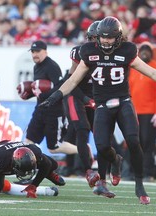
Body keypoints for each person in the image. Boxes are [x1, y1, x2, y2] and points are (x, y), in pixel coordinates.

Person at [39, 16, 156, 205]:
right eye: (103, 37)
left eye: (110, 37)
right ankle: (116, 161)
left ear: (118, 37)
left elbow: (150, 72)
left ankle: (139, 185)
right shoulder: (88, 51)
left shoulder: (127, 51)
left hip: (123, 102)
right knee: (102, 147)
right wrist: (55, 96)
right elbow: (73, 80)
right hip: (101, 105)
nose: (106, 41)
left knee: (134, 141)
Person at [62, 21, 100, 185]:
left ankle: (110, 166)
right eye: (92, 38)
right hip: (76, 94)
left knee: (102, 133)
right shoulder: (80, 52)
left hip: (93, 96)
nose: (96, 41)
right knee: (79, 131)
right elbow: (71, 80)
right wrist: (86, 99)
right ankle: (83, 169)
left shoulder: (110, 54)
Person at [24, 40, 77, 155]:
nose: (34, 54)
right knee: (28, 142)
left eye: (37, 51)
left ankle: (83, 150)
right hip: (40, 109)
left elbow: (60, 87)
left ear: (45, 52)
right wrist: (29, 93)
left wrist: (43, 95)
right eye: (32, 52)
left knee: (54, 148)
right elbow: (40, 89)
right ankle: (30, 169)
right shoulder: (36, 67)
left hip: (54, 112)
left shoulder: (51, 66)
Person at [0, 140, 65, 198]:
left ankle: (50, 174)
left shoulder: (34, 151)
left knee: (53, 165)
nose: (26, 173)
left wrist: (33, 186)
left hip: (18, 150)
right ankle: (48, 173)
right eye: (22, 170)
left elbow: (46, 164)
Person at [129, 42, 156, 182]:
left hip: (150, 113)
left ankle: (148, 172)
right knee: (134, 142)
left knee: (147, 143)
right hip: (134, 111)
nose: (145, 52)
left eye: (147, 50)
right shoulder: (133, 68)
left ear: (152, 52)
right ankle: (135, 172)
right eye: (142, 50)